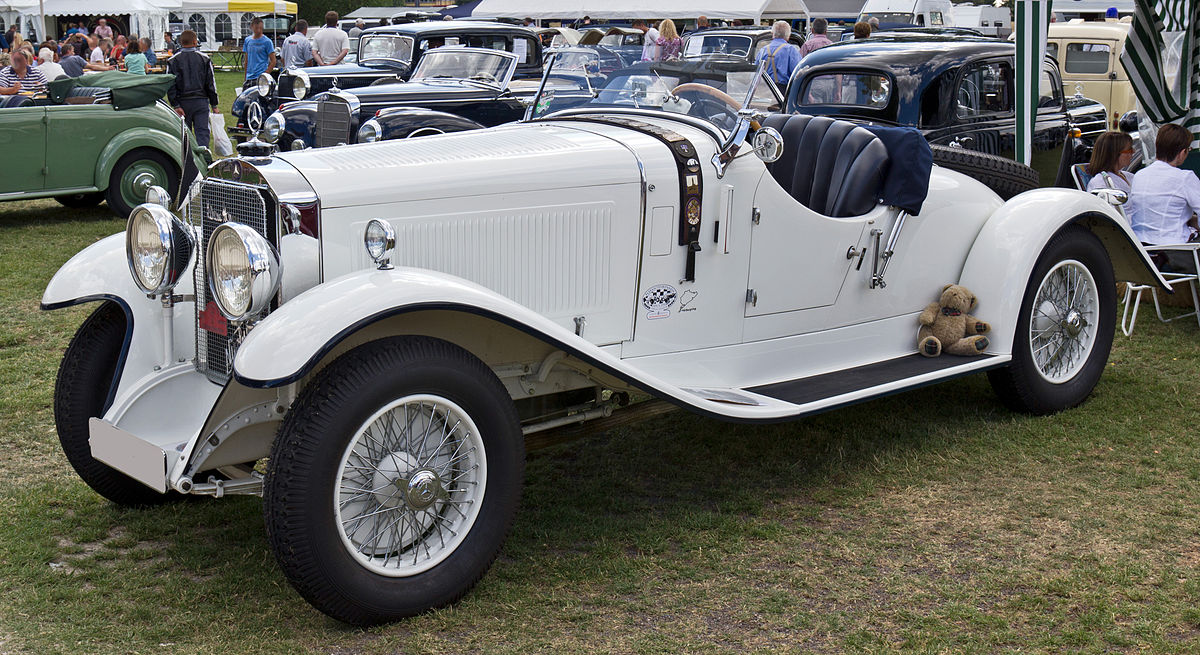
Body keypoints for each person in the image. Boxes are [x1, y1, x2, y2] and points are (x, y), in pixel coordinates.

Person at [1127, 123, 1200, 271]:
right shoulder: (1185, 177)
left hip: (1139, 250)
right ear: (1182, 152)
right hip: (1174, 252)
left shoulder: (1139, 175)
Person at [167, 30, 219, 148]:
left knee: (185, 135)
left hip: (182, 102)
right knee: (203, 133)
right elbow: (210, 83)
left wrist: (175, 104)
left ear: (180, 42)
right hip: (201, 100)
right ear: (195, 42)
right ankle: (204, 159)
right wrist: (214, 104)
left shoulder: (173, 60)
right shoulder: (205, 59)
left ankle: (187, 160)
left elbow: (170, 84)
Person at [1085, 131, 1134, 195]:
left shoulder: (1129, 176)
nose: (1133, 152)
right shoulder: (1100, 182)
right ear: (1114, 154)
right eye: (1129, 150)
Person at [756, 21, 800, 86]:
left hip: (764, 89)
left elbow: (756, 73)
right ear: (788, 35)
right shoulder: (791, 50)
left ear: (773, 33)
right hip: (783, 90)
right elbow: (798, 74)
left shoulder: (763, 50)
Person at [242, 17, 275, 88]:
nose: (259, 30)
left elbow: (273, 61)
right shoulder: (248, 40)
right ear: (252, 27)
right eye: (257, 28)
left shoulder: (267, 42)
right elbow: (246, 60)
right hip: (249, 77)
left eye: (261, 28)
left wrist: (265, 74)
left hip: (260, 76)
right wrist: (245, 77)